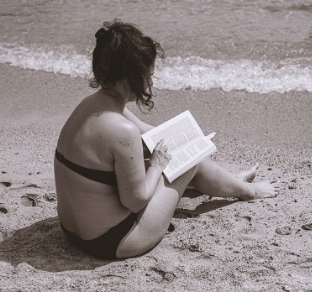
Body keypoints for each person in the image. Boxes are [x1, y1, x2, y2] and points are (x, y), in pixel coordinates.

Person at [54, 19, 279, 260]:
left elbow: (149, 133)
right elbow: (136, 201)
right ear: (132, 76)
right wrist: (158, 165)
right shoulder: (121, 130)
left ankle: (229, 182)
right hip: (114, 240)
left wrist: (188, 138)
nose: (150, 82)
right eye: (149, 75)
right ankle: (248, 191)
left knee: (180, 152)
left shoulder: (91, 106)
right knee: (189, 162)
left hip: (72, 230)